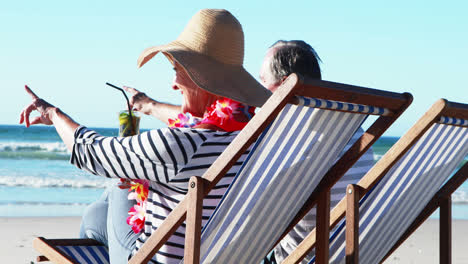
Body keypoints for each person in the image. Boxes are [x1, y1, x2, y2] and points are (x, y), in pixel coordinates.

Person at [19, 9, 270, 264]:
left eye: (177, 69)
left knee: (116, 187)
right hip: (216, 255)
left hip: (154, 258)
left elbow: (91, 151)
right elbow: (196, 120)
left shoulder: (183, 146)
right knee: (97, 215)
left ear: (202, 79)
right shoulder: (257, 137)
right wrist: (148, 105)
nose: (173, 83)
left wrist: (52, 114)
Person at [258, 40, 375, 264]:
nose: (259, 91)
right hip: (352, 255)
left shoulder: (289, 136)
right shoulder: (351, 127)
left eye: (262, 82)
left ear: (285, 86)